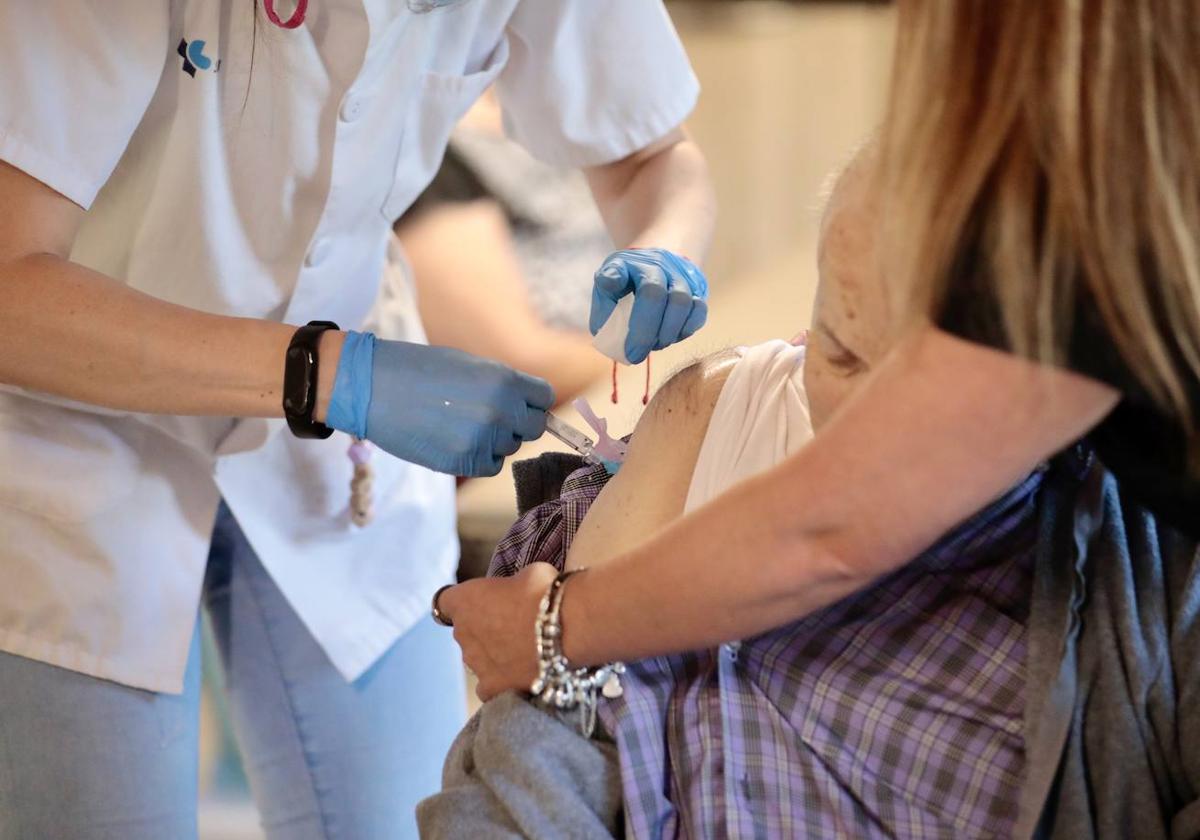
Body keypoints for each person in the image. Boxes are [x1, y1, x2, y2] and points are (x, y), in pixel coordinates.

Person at [440, 0, 1200, 833]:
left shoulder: (1123, 557)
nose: (868, 417)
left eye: (912, 378)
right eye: (837, 353)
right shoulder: (713, 408)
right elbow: (553, 742)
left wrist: (553, 627)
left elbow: (831, 530)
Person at [0, 2, 715, 838]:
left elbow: (650, 152)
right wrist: (329, 374)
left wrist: (669, 243)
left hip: (342, 458)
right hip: (72, 424)